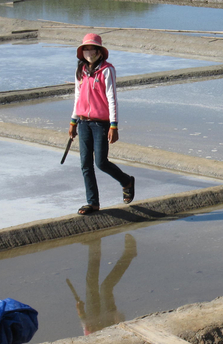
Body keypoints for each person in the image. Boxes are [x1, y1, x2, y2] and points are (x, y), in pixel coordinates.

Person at [68, 33, 135, 216]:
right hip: (83, 122)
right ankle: (93, 203)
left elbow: (112, 98)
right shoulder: (80, 70)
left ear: (99, 51)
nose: (89, 52)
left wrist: (114, 126)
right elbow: (78, 97)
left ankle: (127, 181)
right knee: (85, 164)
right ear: (82, 52)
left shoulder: (107, 70)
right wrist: (73, 121)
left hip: (101, 124)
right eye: (86, 49)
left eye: (92, 49)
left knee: (101, 162)